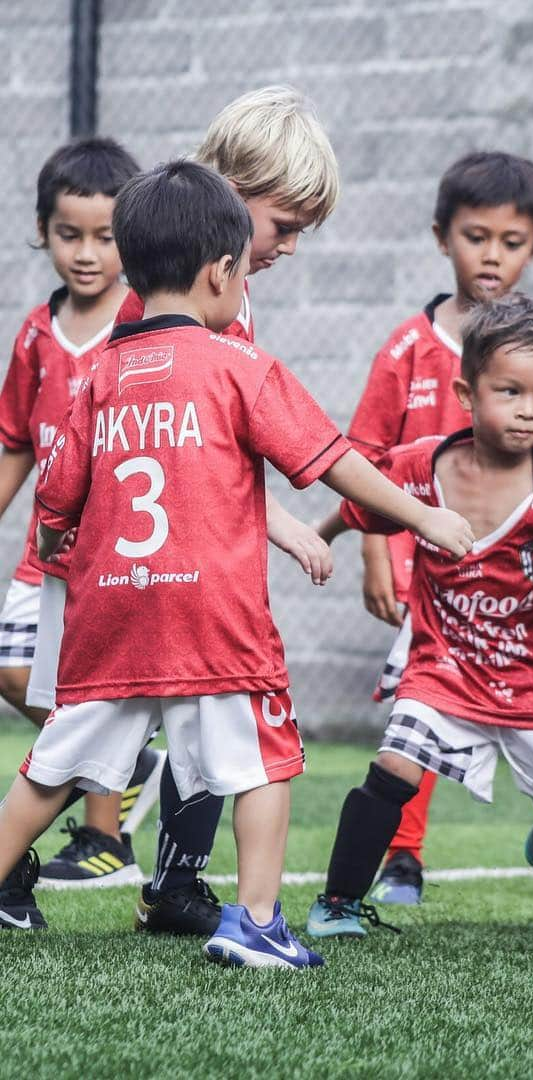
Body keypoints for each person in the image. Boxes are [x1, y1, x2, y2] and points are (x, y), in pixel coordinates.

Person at [0, 161, 472, 968]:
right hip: (210, 617)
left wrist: (48, 544)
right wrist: (425, 513)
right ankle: (255, 921)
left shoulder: (98, 376)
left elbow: (58, 496)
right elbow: (331, 462)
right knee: (264, 761)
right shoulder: (237, 365)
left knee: (56, 763)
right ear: (223, 272)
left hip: (108, 612)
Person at [315, 151, 533, 906]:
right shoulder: (408, 349)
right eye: (478, 237)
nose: (493, 255)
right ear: (444, 238)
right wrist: (373, 549)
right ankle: (394, 865)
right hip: (434, 573)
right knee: (415, 718)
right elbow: (368, 471)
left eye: (512, 241)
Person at [109, 86, 343, 935]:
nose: (287, 246)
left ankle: (174, 886)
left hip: (194, 541)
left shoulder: (231, 293)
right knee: (112, 728)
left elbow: (226, 438)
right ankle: (27, 867)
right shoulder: (169, 302)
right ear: (232, 192)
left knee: (195, 719)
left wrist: (272, 525)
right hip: (147, 546)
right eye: (283, 225)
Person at [0, 137, 165, 898]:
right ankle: (124, 761)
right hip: (46, 551)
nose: (88, 253)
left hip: (117, 553)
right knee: (14, 671)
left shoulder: (143, 323)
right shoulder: (36, 332)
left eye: (106, 237)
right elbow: (14, 442)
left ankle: (106, 839)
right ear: (42, 230)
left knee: (94, 690)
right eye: (71, 234)